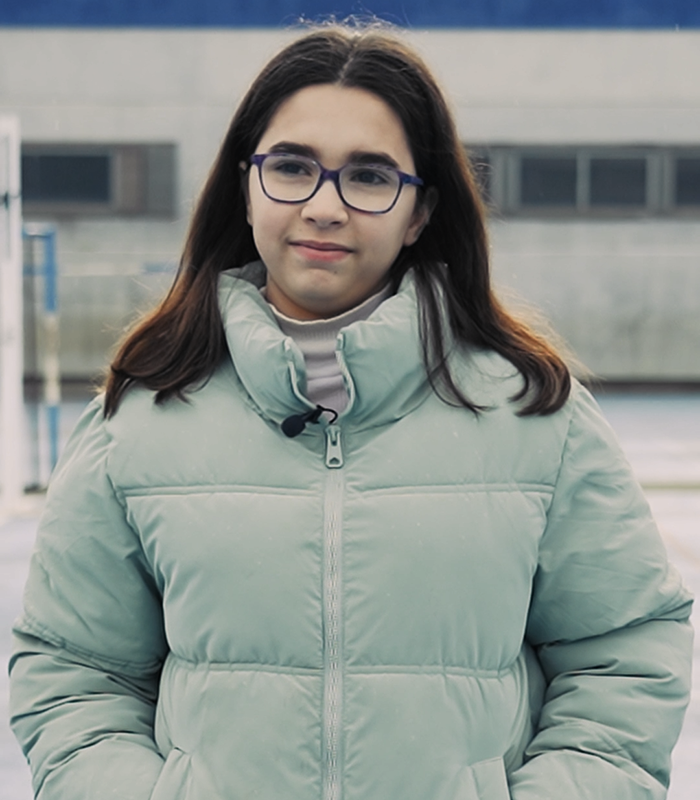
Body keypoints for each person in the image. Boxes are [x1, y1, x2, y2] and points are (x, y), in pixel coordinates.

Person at [9, 23, 693, 800]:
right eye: (293, 167)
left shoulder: (537, 414)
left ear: (421, 211)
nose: (325, 207)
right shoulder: (138, 419)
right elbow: (73, 673)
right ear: (246, 183)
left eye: (370, 176)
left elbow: (625, 653)